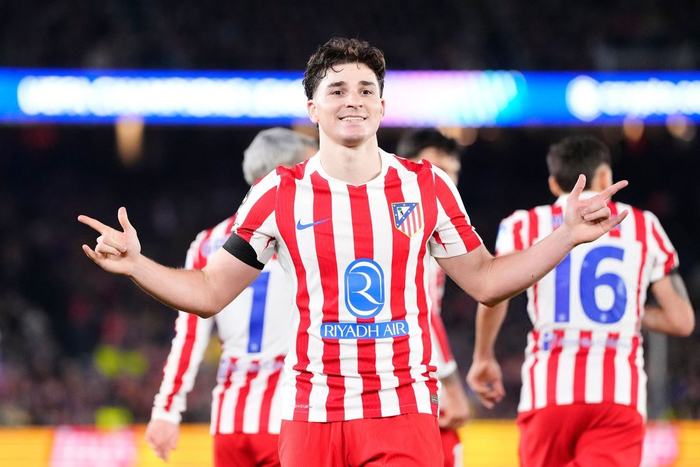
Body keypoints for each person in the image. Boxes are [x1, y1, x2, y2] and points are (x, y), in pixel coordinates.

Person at [79, 37, 628, 467]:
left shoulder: (426, 186)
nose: (353, 100)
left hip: (401, 409)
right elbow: (208, 291)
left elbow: (485, 280)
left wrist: (564, 235)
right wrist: (137, 264)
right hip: (311, 412)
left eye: (366, 90)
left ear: (383, 107)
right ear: (313, 108)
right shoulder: (278, 193)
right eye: (337, 90)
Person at [466, 135, 695, 467]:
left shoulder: (522, 224)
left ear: (553, 183)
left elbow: (494, 294)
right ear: (605, 176)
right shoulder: (644, 225)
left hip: (547, 392)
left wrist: (483, 356)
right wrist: (627, 309)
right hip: (618, 393)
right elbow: (681, 320)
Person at [144, 128, 318, 466]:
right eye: (310, 166)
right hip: (290, 417)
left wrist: (166, 410)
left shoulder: (207, 242)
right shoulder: (307, 232)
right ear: (283, 173)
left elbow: (189, 336)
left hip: (229, 423)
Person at [396, 128, 470, 467]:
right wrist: (451, 385)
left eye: (452, 172)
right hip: (404, 376)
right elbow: (422, 310)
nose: (446, 181)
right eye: (438, 169)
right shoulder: (411, 220)